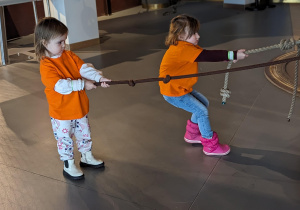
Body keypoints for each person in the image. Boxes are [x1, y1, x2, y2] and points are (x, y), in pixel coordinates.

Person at [159, 14, 248, 156]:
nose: (198, 36)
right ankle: (210, 146)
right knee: (201, 111)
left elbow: (203, 55)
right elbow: (207, 55)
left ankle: (192, 135)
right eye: (194, 33)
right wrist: (233, 55)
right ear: (180, 35)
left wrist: (230, 57)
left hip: (179, 88)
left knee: (203, 103)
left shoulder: (184, 45)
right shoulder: (182, 49)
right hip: (173, 92)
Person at [34, 17, 110, 180]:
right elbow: (60, 86)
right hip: (61, 112)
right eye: (60, 42)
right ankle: (68, 164)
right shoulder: (46, 65)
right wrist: (83, 84)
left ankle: (86, 156)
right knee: (65, 138)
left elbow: (83, 68)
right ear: (44, 42)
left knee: (84, 133)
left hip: (79, 107)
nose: (64, 45)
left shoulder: (69, 55)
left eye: (64, 41)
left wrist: (98, 78)